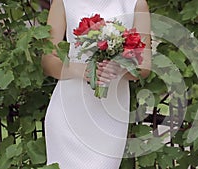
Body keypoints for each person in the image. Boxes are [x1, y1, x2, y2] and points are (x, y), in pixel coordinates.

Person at [41, 0, 151, 168]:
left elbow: (144, 67)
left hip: (110, 117)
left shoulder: (135, 3)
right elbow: (47, 61)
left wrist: (119, 68)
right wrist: (81, 69)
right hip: (68, 111)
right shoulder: (63, 2)